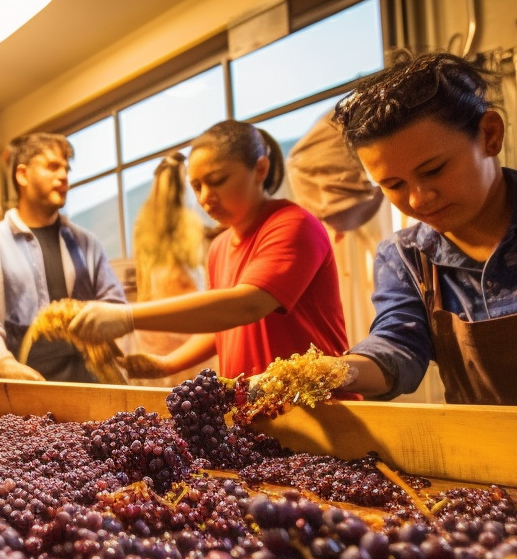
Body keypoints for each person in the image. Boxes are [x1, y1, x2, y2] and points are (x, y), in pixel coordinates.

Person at [328, 51, 517, 406]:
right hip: (488, 458)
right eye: (394, 185)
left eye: (434, 170)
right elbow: (396, 346)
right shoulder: (407, 258)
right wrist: (331, 373)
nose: (419, 200)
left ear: (490, 135)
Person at [67, 120, 348, 379]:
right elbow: (224, 324)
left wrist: (127, 316)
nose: (205, 198)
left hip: (313, 405)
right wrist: (167, 363)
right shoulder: (220, 246)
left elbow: (247, 305)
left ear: (260, 170)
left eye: (217, 181)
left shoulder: (293, 225)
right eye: (197, 186)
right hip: (253, 411)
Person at [0, 132, 126, 382]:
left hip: (88, 384)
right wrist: (2, 362)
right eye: (52, 166)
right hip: (22, 388)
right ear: (22, 175)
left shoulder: (86, 243)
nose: (63, 176)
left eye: (66, 169)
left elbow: (115, 304)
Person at [129, 151, 206, 383]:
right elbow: (193, 280)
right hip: (184, 324)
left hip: (155, 325)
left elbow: (143, 288)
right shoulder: (189, 222)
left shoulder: (143, 221)